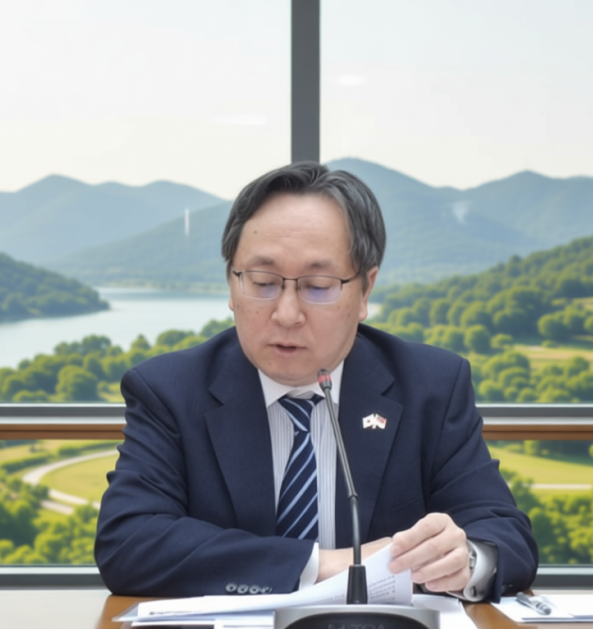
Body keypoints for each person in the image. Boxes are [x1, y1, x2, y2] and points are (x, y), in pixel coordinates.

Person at [95, 161, 537, 601]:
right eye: (263, 282)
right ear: (231, 284)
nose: (287, 314)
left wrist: (465, 558)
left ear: (365, 290)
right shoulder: (169, 390)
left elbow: (505, 536)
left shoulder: (431, 386)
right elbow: (130, 542)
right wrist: (325, 566)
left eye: (319, 286)